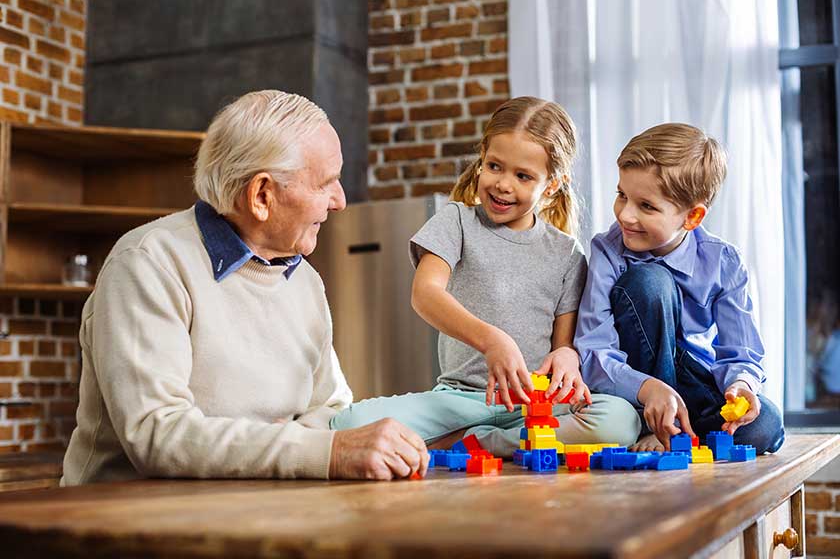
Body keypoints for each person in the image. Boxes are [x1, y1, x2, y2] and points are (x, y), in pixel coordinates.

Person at [61, 90, 429, 485]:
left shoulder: (303, 280)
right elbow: (158, 434)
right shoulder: (147, 262)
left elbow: (331, 405)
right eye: (327, 182)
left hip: (254, 512)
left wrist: (279, 442)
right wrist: (325, 449)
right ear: (262, 195)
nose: (339, 201)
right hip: (123, 526)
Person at [331, 97, 641, 456]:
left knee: (621, 420)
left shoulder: (567, 253)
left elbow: (563, 344)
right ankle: (475, 436)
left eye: (523, 176)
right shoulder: (456, 221)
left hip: (533, 406)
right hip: (458, 402)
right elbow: (425, 293)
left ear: (553, 184)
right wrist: (493, 341)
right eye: (495, 166)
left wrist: (568, 359)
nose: (503, 184)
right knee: (347, 426)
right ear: (481, 160)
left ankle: (477, 443)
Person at [574, 123, 785, 454]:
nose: (625, 215)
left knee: (765, 426)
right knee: (650, 281)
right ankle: (651, 426)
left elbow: (741, 350)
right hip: (636, 388)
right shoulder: (608, 251)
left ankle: (684, 433)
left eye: (646, 206)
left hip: (693, 381)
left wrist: (741, 385)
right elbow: (593, 350)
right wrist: (647, 389)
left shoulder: (723, 261)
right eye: (622, 196)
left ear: (692, 217)